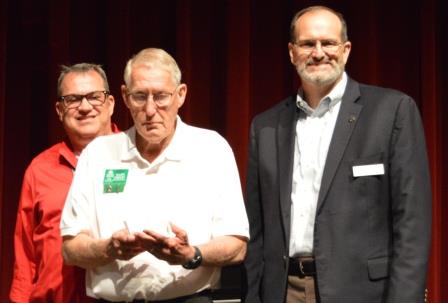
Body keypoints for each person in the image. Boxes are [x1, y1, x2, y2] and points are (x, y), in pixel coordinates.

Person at [244, 5, 431, 303]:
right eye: (307, 44)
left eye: (328, 43)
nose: (318, 52)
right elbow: (257, 231)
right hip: (283, 291)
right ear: (292, 52)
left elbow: (412, 223)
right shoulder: (265, 127)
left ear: (346, 50)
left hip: (365, 293)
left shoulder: (392, 111)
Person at [60, 48, 249, 303]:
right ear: (125, 97)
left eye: (160, 96)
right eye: (140, 96)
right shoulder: (98, 155)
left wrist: (191, 254)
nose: (150, 110)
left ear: (181, 95)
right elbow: (71, 248)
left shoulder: (211, 149)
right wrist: (109, 249)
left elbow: (236, 244)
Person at [10, 63, 118, 303]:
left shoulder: (133, 159)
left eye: (94, 97)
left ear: (110, 104)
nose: (85, 107)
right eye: (73, 99)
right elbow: (25, 254)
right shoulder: (40, 169)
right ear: (59, 110)